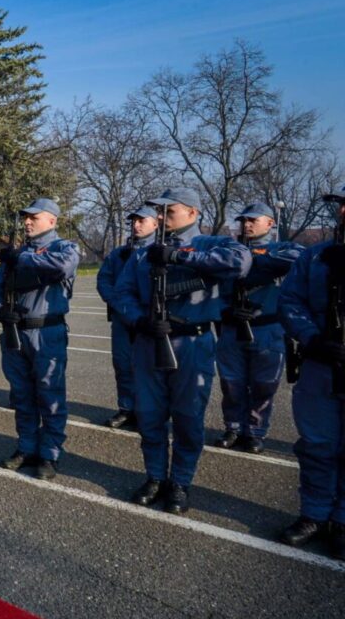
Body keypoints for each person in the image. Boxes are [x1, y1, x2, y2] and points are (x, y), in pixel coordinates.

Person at [113, 187, 250, 514]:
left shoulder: (212, 244)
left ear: (193, 213)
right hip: (150, 342)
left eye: (168, 212)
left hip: (192, 343)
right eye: (158, 212)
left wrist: (181, 256)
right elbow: (122, 294)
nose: (160, 218)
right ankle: (155, 477)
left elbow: (240, 263)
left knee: (188, 417)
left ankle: (180, 481)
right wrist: (139, 321)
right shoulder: (144, 252)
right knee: (149, 415)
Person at [0, 198, 79, 480]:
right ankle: (26, 447)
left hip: (46, 331)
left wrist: (21, 258)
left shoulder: (65, 248)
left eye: (33, 217)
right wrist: (0, 311)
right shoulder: (15, 254)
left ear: (51, 220)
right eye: (25, 217)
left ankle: (50, 454)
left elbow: (60, 268)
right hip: (16, 331)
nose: (27, 222)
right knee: (23, 395)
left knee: (49, 395)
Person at [276, 184, 345, 558]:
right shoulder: (316, 257)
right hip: (320, 363)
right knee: (317, 445)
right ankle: (314, 514)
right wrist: (312, 338)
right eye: (343, 206)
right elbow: (290, 300)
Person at [214, 203, 302, 454]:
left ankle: (255, 432)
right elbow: (213, 289)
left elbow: (301, 257)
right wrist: (225, 311)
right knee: (231, 383)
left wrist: (258, 257)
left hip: (267, 328)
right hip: (232, 327)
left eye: (254, 220)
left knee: (264, 385)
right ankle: (233, 427)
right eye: (244, 220)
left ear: (270, 223)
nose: (247, 224)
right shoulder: (229, 250)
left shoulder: (282, 248)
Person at [96, 206, 158, 430]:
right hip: (123, 319)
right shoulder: (119, 253)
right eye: (134, 221)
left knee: (150, 368)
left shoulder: (161, 251)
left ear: (156, 223)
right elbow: (104, 280)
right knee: (123, 365)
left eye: (142, 221)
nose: (136, 225)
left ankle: (148, 411)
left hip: (150, 320)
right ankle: (126, 408)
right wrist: (119, 304)